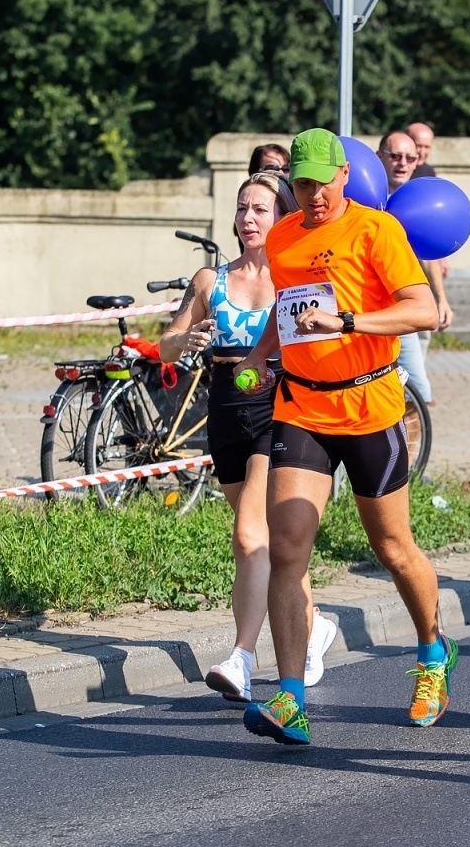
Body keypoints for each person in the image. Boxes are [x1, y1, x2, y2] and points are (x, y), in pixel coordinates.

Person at [232, 129, 454, 746]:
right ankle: (290, 697)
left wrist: (349, 320)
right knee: (288, 548)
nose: (311, 195)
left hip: (370, 407)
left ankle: (433, 654)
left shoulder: (377, 232)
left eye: (319, 183)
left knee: (393, 548)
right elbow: (288, 310)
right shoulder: (282, 236)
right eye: (299, 184)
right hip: (301, 407)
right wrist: (257, 356)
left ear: (343, 176)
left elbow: (422, 310)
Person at [160, 174, 340, 702]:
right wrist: (183, 339)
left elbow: (324, 338)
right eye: (242, 209)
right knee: (277, 548)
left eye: (261, 209)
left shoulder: (295, 278)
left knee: (249, 537)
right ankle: (314, 626)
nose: (249, 219)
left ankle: (241, 657)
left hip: (278, 409)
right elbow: (167, 345)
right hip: (224, 410)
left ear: (281, 216)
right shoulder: (210, 281)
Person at [380, 129, 449, 404]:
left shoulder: (416, 202)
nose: (403, 163)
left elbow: (428, 254)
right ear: (379, 157)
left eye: (410, 158)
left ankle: (411, 447)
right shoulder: (363, 200)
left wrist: (442, 299)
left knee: (418, 395)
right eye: (395, 156)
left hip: (402, 308)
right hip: (366, 310)